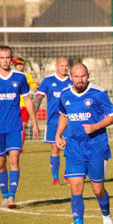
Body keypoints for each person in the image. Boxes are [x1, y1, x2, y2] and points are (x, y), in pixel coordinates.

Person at [55, 63, 113, 224]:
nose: (80, 80)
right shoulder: (65, 94)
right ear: (70, 78)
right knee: (76, 187)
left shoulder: (99, 93)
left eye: (83, 76)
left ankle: (106, 217)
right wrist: (58, 135)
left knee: (98, 190)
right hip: (74, 148)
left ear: (88, 75)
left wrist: (96, 126)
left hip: (97, 149)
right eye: (76, 77)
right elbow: (64, 115)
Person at [0, 45, 39, 209]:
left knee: (14, 159)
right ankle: (4, 195)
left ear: (11, 59)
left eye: (8, 58)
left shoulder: (19, 78)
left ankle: (11, 197)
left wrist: (34, 122)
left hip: (14, 127)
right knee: (0, 162)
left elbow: (27, 100)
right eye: (2, 58)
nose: (5, 61)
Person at [35, 56, 72, 185]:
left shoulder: (72, 81)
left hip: (69, 120)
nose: (64, 68)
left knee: (70, 147)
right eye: (62, 65)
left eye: (66, 65)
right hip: (53, 121)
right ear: (56, 66)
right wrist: (33, 113)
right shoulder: (48, 81)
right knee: (54, 148)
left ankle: (68, 175)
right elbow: (39, 98)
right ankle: (55, 177)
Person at [13, 57, 38, 146]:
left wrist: (35, 88)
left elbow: (33, 87)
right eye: (18, 65)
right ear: (15, 66)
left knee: (23, 126)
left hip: (25, 105)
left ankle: (19, 146)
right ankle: (12, 145)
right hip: (14, 105)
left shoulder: (27, 77)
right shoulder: (11, 76)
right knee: (14, 126)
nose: (20, 67)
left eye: (21, 65)